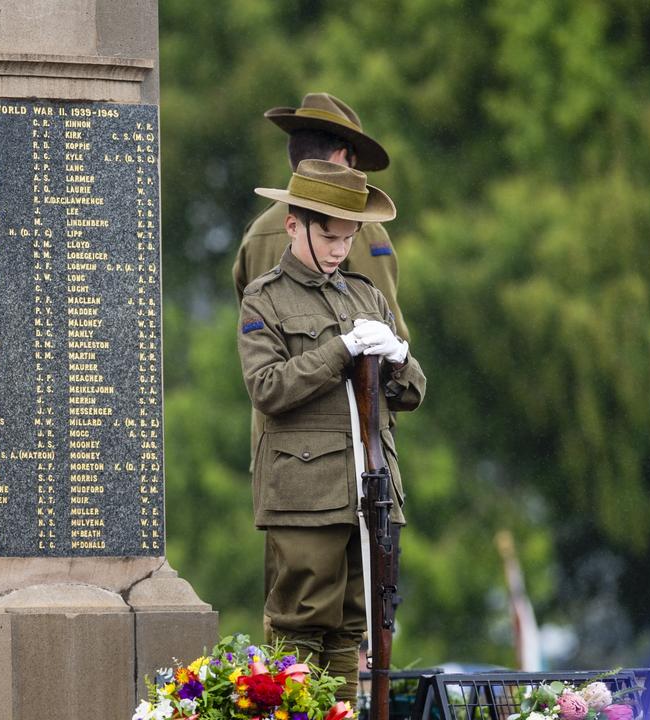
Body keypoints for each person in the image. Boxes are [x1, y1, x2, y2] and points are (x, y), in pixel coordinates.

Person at [237, 159, 426, 703]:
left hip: (372, 487)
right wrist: (338, 351)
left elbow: (411, 395)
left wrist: (398, 360)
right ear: (293, 225)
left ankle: (341, 714)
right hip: (305, 492)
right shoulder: (265, 299)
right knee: (299, 626)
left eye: (349, 237)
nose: (341, 249)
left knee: (350, 630)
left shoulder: (367, 294)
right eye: (329, 235)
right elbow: (268, 388)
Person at [232, 92, 407, 339]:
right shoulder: (361, 226)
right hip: (339, 375)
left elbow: (252, 331)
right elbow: (386, 331)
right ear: (338, 159)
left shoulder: (256, 231)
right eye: (352, 160)